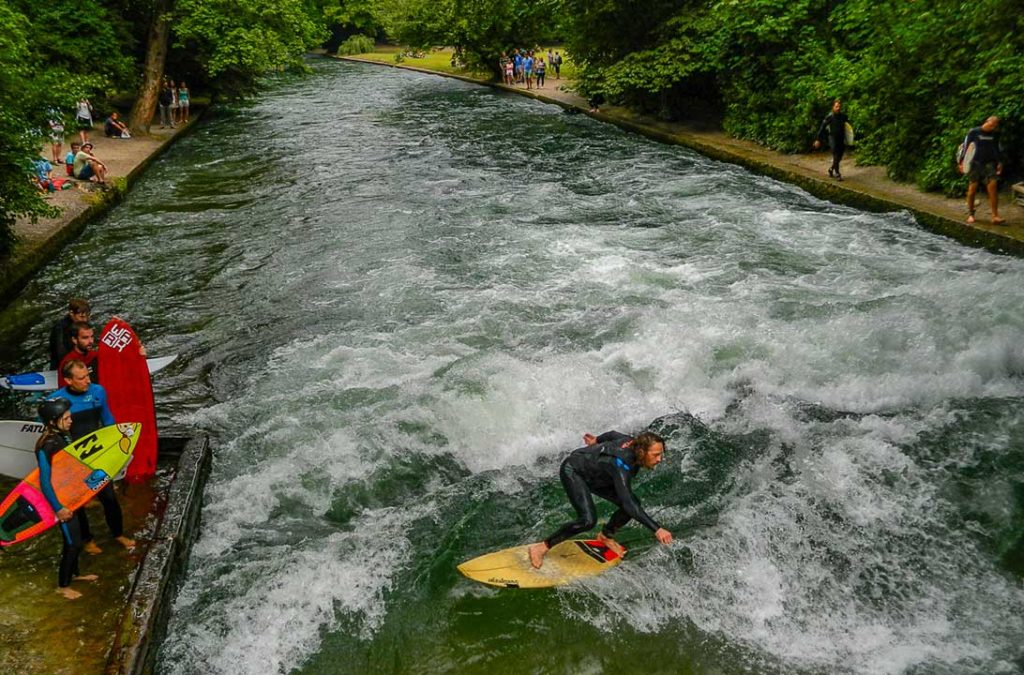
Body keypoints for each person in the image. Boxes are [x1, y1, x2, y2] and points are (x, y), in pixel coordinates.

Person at [527, 430, 673, 569]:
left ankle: (605, 536)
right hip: (574, 471)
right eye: (656, 455)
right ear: (642, 451)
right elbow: (628, 503)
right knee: (588, 521)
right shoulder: (620, 465)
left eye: (661, 454)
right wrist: (657, 529)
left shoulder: (631, 441)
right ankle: (542, 546)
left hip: (598, 477)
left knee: (632, 506)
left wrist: (596, 440)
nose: (659, 459)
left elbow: (612, 434)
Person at [51, 360, 136, 553]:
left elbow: (108, 421)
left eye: (88, 376)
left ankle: (118, 534)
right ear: (68, 380)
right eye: (81, 378)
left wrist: (117, 447)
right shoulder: (56, 400)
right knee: (78, 504)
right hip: (73, 459)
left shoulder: (98, 392)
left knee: (109, 498)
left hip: (97, 455)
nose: (87, 381)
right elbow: (50, 430)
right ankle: (87, 540)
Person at [35, 398, 99, 599]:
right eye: (66, 418)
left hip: (72, 497)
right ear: (53, 421)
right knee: (73, 543)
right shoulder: (46, 445)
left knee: (78, 538)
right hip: (61, 501)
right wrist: (58, 508)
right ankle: (62, 586)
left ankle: (76, 574)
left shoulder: (63, 436)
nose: (71, 421)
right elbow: (45, 482)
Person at [959, 116, 1005, 225]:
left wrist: (999, 162)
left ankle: (995, 216)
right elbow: (965, 147)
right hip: (974, 163)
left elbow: (996, 148)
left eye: (995, 126)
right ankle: (971, 213)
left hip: (989, 163)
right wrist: (961, 162)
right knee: (972, 190)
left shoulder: (994, 134)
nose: (993, 127)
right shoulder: (973, 132)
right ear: (987, 122)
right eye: (992, 125)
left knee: (993, 186)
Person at [49, 297, 91, 369]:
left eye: (87, 316)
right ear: (71, 313)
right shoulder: (60, 329)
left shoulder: (81, 323)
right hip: (61, 366)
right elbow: (61, 354)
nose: (85, 320)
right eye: (81, 317)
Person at [813, 98, 849, 181]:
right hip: (832, 138)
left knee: (839, 157)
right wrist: (818, 139)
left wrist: (849, 139)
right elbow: (822, 128)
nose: (838, 108)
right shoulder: (829, 117)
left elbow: (848, 129)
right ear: (833, 107)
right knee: (835, 154)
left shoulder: (844, 117)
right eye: (836, 106)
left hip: (841, 138)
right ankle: (837, 173)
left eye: (839, 106)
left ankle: (831, 169)